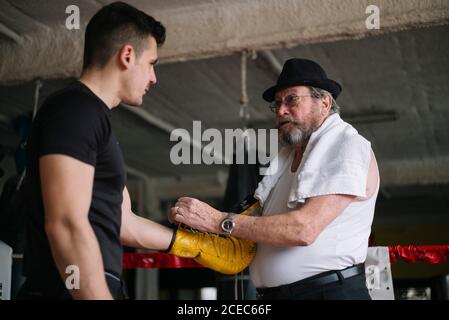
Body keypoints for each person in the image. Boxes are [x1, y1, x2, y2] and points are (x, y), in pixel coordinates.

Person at [17, 2, 253, 300]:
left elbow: (123, 223)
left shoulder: (93, 118)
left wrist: (196, 245)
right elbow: (65, 223)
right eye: (152, 63)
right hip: (69, 289)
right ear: (127, 55)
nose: (153, 78)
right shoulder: (76, 111)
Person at [169, 58, 380, 300]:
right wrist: (193, 228)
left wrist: (218, 221)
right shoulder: (285, 161)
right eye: (277, 104)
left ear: (324, 102)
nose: (280, 110)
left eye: (291, 99)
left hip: (328, 294)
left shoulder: (346, 145)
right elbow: (264, 229)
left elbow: (304, 229)